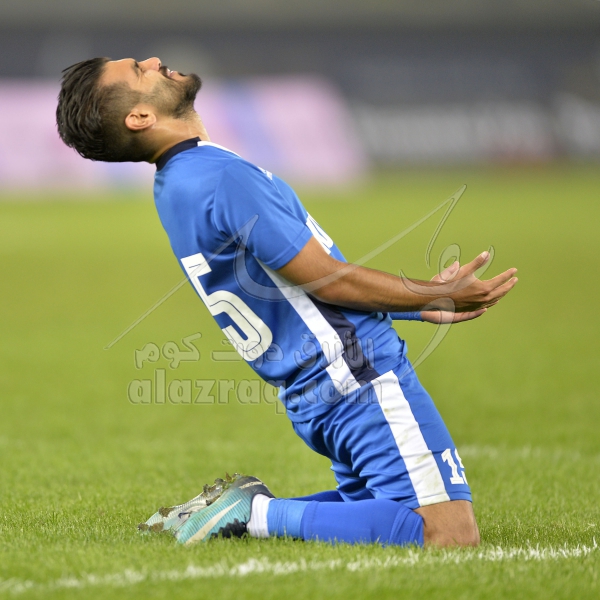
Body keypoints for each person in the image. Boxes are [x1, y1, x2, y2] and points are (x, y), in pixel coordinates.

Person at [56, 56, 518, 548]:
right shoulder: (220, 177)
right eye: (138, 71)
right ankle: (249, 514)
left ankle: (230, 512)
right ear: (140, 117)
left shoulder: (177, 184)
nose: (153, 61)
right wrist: (432, 292)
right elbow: (324, 280)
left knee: (380, 512)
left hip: (317, 385)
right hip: (355, 375)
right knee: (448, 534)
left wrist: (416, 306)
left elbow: (287, 286)